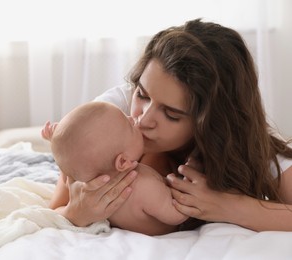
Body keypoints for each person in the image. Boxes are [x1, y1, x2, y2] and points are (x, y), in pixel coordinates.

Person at [48, 18, 292, 232]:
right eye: (142, 95)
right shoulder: (110, 115)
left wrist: (227, 206)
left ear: (211, 122)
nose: (143, 119)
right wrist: (77, 214)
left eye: (172, 114)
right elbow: (57, 208)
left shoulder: (245, 146)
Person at [41, 101, 188, 235]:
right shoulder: (144, 184)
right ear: (123, 162)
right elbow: (178, 214)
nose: (134, 119)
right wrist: (187, 182)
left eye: (171, 113)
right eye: (129, 125)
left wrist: (59, 145)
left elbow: (74, 159)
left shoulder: (86, 184)